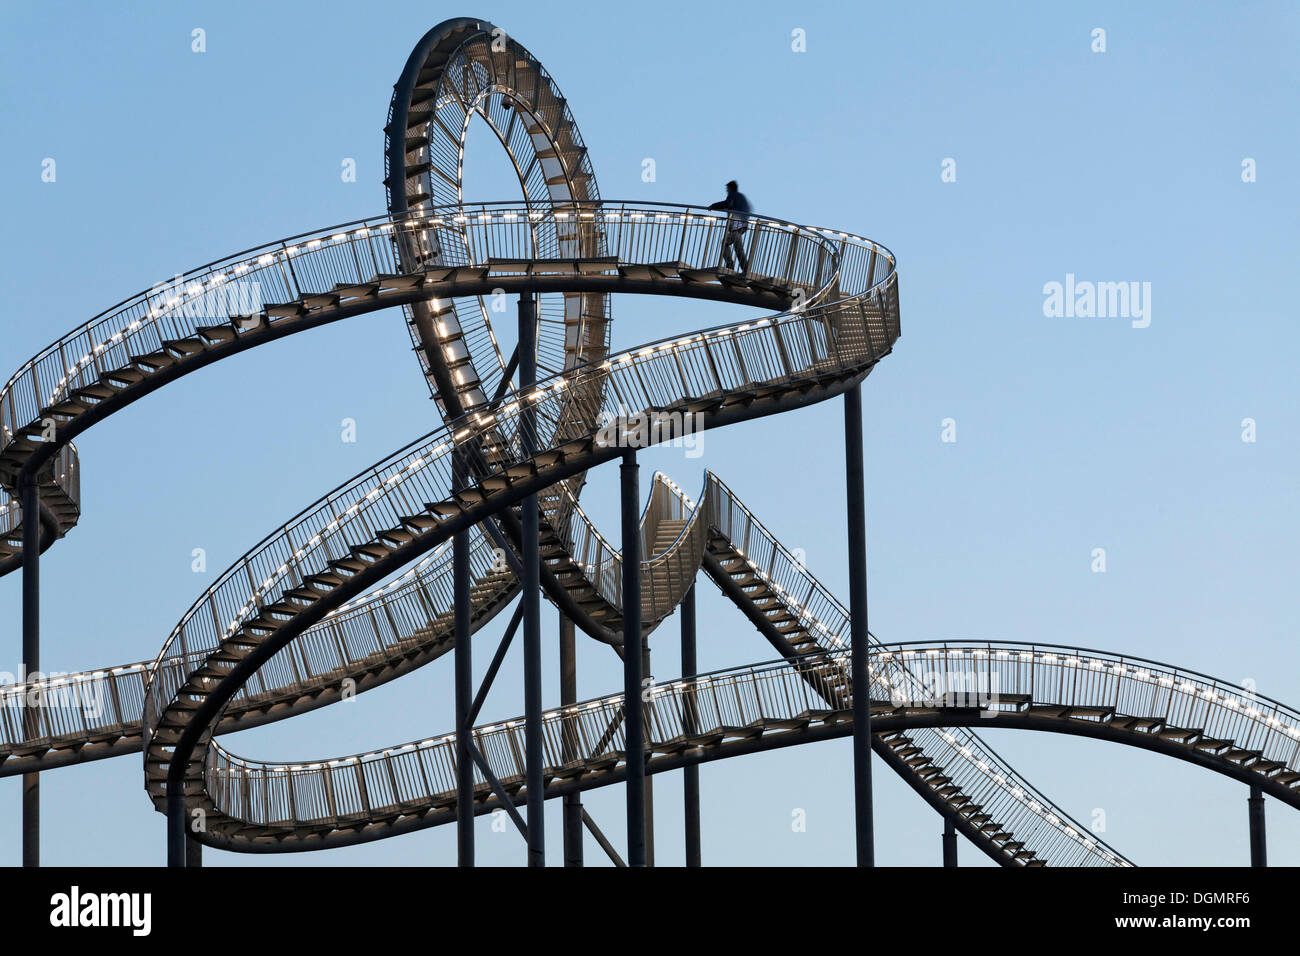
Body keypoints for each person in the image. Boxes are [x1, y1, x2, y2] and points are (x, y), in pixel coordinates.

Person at [708, 180, 751, 274]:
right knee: (737, 247)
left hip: (736, 226)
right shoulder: (741, 196)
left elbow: (727, 204)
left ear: (730, 188)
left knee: (727, 243)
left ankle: (733, 265)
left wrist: (713, 206)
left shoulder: (732, 195)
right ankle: (744, 268)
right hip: (742, 225)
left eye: (727, 188)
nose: (726, 190)